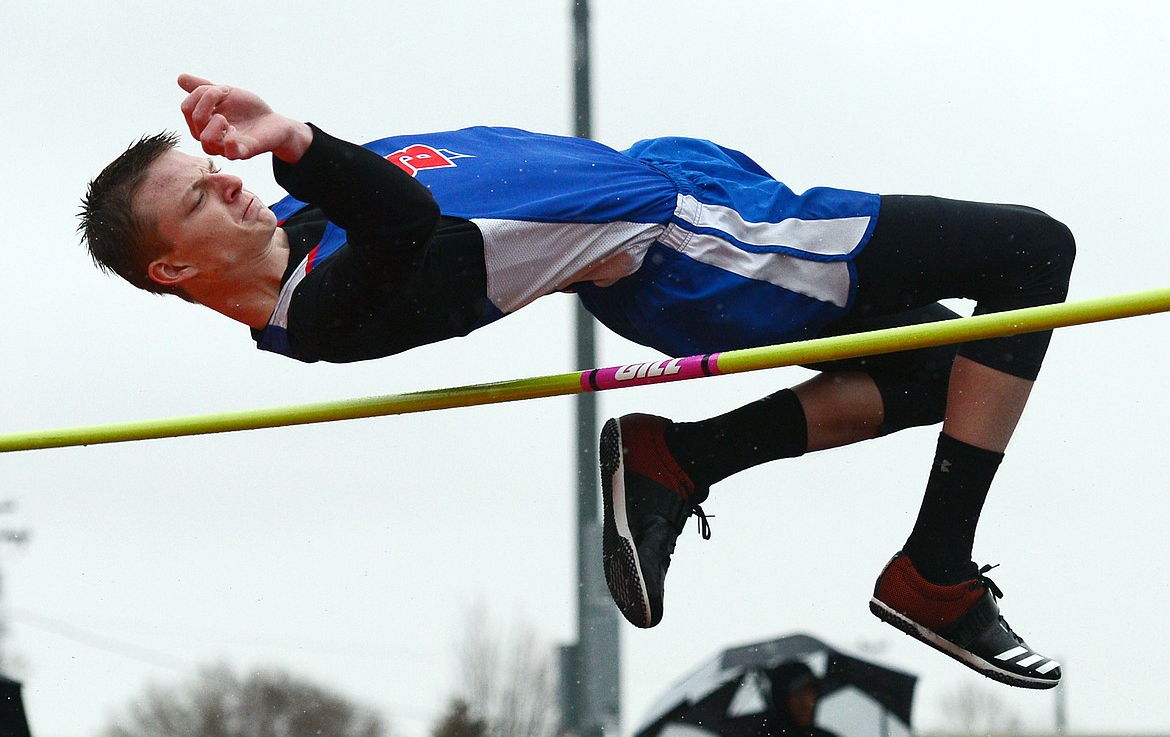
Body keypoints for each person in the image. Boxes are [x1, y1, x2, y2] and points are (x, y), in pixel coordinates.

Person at [79, 74, 1074, 690]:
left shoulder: (298, 217)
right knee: (1030, 257)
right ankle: (934, 571)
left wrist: (293, 148)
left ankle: (681, 459)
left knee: (963, 371)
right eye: (203, 196)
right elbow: (402, 223)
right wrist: (295, 136)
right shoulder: (326, 310)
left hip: (679, 205)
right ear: (173, 268)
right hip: (692, 247)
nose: (232, 179)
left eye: (217, 169)